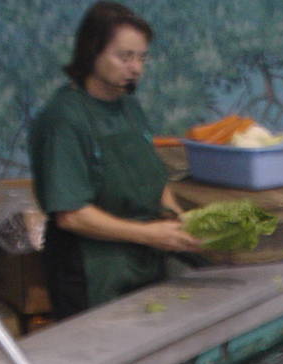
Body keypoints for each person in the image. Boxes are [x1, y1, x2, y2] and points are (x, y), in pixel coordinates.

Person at [29, 2, 202, 318]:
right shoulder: (64, 120)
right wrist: (150, 234)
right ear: (91, 52)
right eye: (125, 57)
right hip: (92, 270)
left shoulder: (129, 108)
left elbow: (155, 180)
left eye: (141, 58)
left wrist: (178, 218)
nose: (136, 68)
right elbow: (72, 215)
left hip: (143, 261)